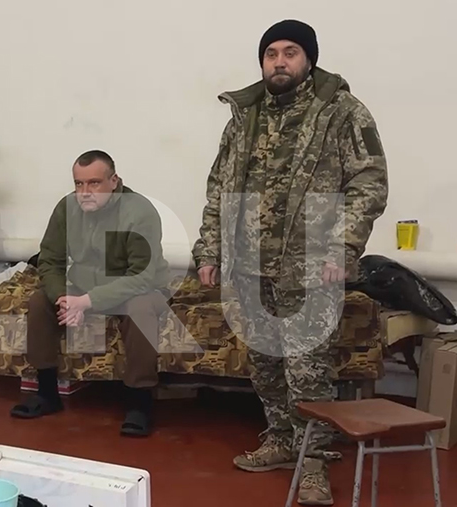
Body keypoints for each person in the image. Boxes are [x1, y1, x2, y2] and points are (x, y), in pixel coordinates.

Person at [192, 20, 388, 505]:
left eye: (291, 52)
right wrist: (210, 250)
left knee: (308, 369)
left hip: (311, 264)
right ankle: (281, 440)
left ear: (309, 58)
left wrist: (343, 247)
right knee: (265, 364)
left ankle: (314, 461)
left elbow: (369, 183)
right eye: (271, 53)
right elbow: (219, 188)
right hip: (248, 265)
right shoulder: (244, 116)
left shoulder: (341, 112)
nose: (279, 61)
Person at [9, 150, 170, 437]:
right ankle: (47, 392)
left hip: (138, 287)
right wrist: (62, 297)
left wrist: (87, 301)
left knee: (140, 309)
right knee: (39, 301)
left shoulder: (139, 212)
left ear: (114, 181)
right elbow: (50, 260)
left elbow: (142, 276)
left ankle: (140, 402)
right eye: (78, 184)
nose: (85, 192)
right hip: (83, 285)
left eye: (94, 183)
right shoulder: (67, 208)